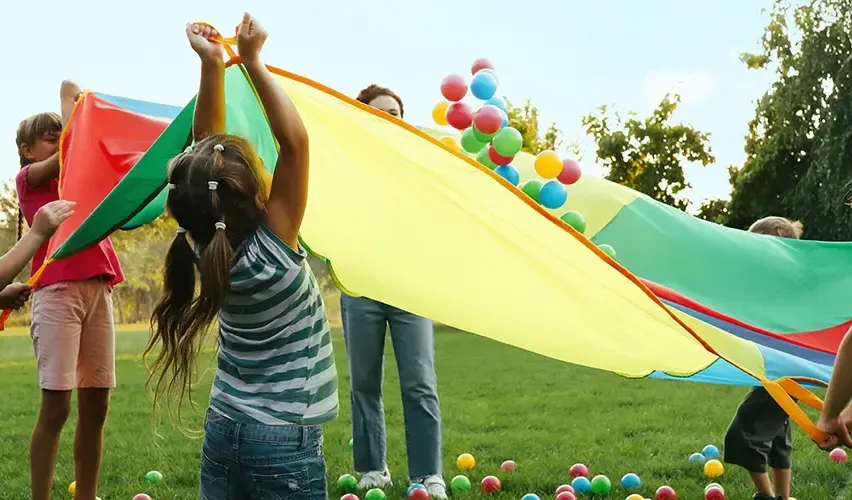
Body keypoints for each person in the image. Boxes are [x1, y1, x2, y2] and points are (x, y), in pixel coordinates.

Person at [145, 14, 335, 500]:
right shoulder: (272, 253)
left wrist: (213, 65)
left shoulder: (203, 246)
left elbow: (207, 155)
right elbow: (296, 143)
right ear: (256, 198)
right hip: (282, 442)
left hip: (224, 428)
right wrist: (250, 61)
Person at [16, 82, 124, 500]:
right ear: (27, 150)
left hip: (99, 291)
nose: (56, 138)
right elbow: (72, 147)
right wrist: (71, 103)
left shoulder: (78, 177)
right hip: (57, 293)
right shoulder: (30, 181)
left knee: (96, 408)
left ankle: (87, 496)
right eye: (48, 135)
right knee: (57, 408)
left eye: (58, 132)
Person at [341, 84, 445, 499]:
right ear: (363, 114)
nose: (391, 118)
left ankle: (427, 474)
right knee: (364, 381)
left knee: (419, 381)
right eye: (382, 111)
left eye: (397, 113)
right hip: (361, 284)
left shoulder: (414, 164)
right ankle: (372, 468)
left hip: (408, 287)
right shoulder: (346, 167)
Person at [723, 216, 803, 500]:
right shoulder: (783, 286)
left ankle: (767, 497)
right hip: (784, 374)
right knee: (779, 435)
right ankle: (783, 496)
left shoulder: (780, 287)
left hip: (784, 375)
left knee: (743, 432)